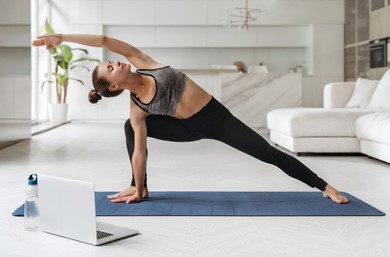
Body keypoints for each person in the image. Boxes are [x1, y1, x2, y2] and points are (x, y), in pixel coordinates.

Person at [32, 34, 349, 205]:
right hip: (186, 128)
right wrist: (138, 183)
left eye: (112, 63)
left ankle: (324, 186)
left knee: (267, 153)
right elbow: (140, 151)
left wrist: (61, 37)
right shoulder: (137, 106)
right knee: (132, 127)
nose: (114, 62)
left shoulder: (145, 63)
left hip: (216, 118)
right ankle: (138, 189)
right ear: (113, 85)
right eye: (111, 68)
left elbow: (104, 41)